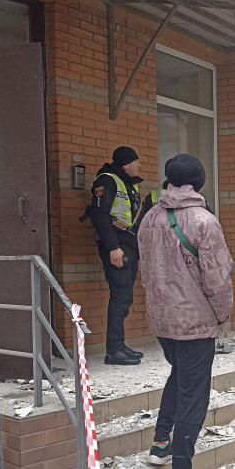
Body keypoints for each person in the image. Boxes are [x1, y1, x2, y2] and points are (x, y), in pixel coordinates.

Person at [138, 154, 233, 469]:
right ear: (199, 183)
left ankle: (161, 444)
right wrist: (222, 316)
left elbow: (146, 270)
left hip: (162, 320)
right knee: (194, 394)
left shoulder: (149, 218)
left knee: (178, 377)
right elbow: (218, 279)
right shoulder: (205, 222)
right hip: (194, 323)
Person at [84, 146, 146, 366]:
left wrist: (137, 254)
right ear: (126, 163)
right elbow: (100, 216)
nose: (139, 165)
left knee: (125, 297)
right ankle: (113, 351)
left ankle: (119, 346)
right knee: (120, 297)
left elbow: (133, 223)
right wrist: (112, 248)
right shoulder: (107, 180)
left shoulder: (128, 184)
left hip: (127, 246)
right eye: (136, 162)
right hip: (117, 247)